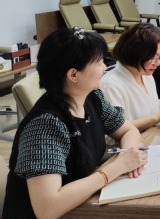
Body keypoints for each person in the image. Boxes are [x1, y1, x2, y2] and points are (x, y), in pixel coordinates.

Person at [3, 27, 147, 219]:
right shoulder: (45, 124)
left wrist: (128, 156)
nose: (105, 67)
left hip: (82, 207)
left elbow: (128, 130)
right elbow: (47, 209)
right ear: (73, 75)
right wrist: (115, 168)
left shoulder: (92, 98)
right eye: (99, 62)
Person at [102, 23, 160, 132]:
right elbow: (118, 128)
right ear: (136, 53)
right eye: (154, 57)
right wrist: (158, 117)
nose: (158, 63)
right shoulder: (111, 85)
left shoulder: (144, 73)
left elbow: (149, 105)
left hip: (153, 133)